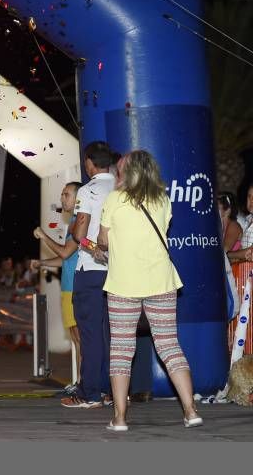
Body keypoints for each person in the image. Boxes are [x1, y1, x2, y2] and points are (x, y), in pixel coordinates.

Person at [98, 150, 202, 431]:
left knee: (121, 348)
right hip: (160, 282)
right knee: (169, 345)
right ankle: (191, 411)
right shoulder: (162, 199)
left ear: (126, 173)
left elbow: (103, 240)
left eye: (120, 171)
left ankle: (119, 418)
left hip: (124, 284)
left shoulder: (114, 199)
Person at [60, 141, 115, 409]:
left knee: (90, 334)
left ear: (89, 162)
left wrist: (77, 234)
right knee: (107, 334)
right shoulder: (119, 187)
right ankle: (105, 390)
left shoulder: (89, 189)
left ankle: (89, 393)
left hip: (90, 271)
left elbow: (80, 234)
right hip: (115, 272)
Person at [33, 181, 82, 394]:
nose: (63, 198)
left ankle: (84, 384)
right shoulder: (72, 221)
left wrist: (44, 236)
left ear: (78, 199)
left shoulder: (80, 222)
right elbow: (65, 259)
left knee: (80, 338)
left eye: (67, 194)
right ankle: (81, 382)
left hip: (76, 288)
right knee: (75, 338)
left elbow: (65, 252)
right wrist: (43, 263)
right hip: (67, 288)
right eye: (62, 194)